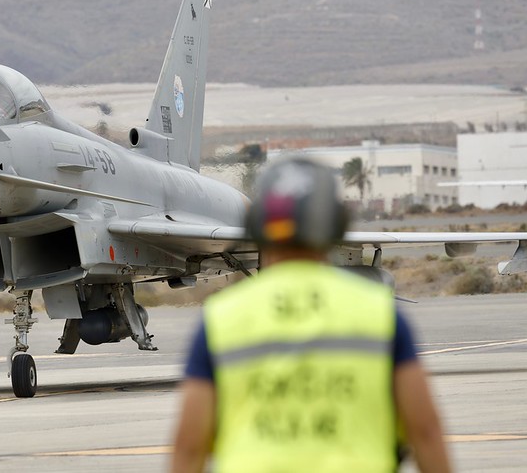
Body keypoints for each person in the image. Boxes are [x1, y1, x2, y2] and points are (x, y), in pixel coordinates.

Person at [170, 156, 452, 472]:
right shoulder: (380, 316)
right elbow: (425, 432)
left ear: (258, 225)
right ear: (336, 224)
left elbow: (189, 446)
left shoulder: (220, 322)